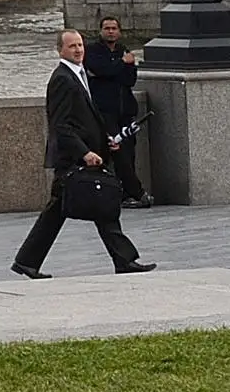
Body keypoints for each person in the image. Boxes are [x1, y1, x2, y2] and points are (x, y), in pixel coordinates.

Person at [11, 28, 155, 280]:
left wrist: (105, 140)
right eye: (72, 46)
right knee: (74, 210)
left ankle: (28, 261)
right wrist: (85, 152)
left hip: (84, 154)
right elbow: (61, 125)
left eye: (80, 45)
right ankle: (27, 261)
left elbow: (86, 118)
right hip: (73, 159)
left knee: (96, 209)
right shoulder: (62, 79)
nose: (78, 50)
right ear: (60, 50)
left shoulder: (77, 75)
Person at [85, 13, 151, 209]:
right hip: (105, 112)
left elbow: (129, 79)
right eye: (107, 28)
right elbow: (102, 69)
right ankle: (136, 193)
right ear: (100, 31)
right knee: (117, 154)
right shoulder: (93, 51)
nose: (111, 31)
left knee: (129, 153)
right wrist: (122, 64)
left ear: (119, 32)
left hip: (125, 111)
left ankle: (127, 194)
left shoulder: (123, 50)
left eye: (114, 28)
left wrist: (120, 68)